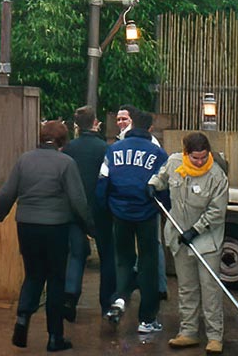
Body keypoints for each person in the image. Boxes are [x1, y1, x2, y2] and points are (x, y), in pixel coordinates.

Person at [0, 120, 92, 352]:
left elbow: (7, 192)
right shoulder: (66, 163)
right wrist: (89, 227)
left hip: (26, 225)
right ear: (62, 141)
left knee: (33, 274)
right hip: (56, 227)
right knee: (56, 280)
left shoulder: (24, 160)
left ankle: (23, 318)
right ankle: (55, 337)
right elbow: (78, 200)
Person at [150, 132, 230, 354]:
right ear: (186, 153)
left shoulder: (216, 176)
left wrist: (195, 230)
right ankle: (188, 332)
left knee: (210, 288)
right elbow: (162, 176)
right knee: (186, 287)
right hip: (179, 236)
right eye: (195, 158)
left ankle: (215, 337)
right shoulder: (175, 162)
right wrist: (153, 184)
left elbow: (217, 211)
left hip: (206, 239)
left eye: (203, 157)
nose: (200, 162)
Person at [97, 109, 168, 336]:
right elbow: (165, 186)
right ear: (150, 129)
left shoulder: (113, 150)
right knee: (148, 264)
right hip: (147, 213)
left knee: (123, 261)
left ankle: (118, 300)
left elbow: (102, 183)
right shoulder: (158, 153)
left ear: (131, 124)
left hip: (119, 213)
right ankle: (147, 319)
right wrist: (163, 209)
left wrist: (105, 208)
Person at [61, 105, 112, 321]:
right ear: (95, 123)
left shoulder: (69, 148)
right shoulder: (105, 148)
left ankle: (70, 296)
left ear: (76, 126)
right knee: (108, 256)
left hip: (73, 209)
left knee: (76, 253)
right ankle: (107, 303)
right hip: (101, 208)